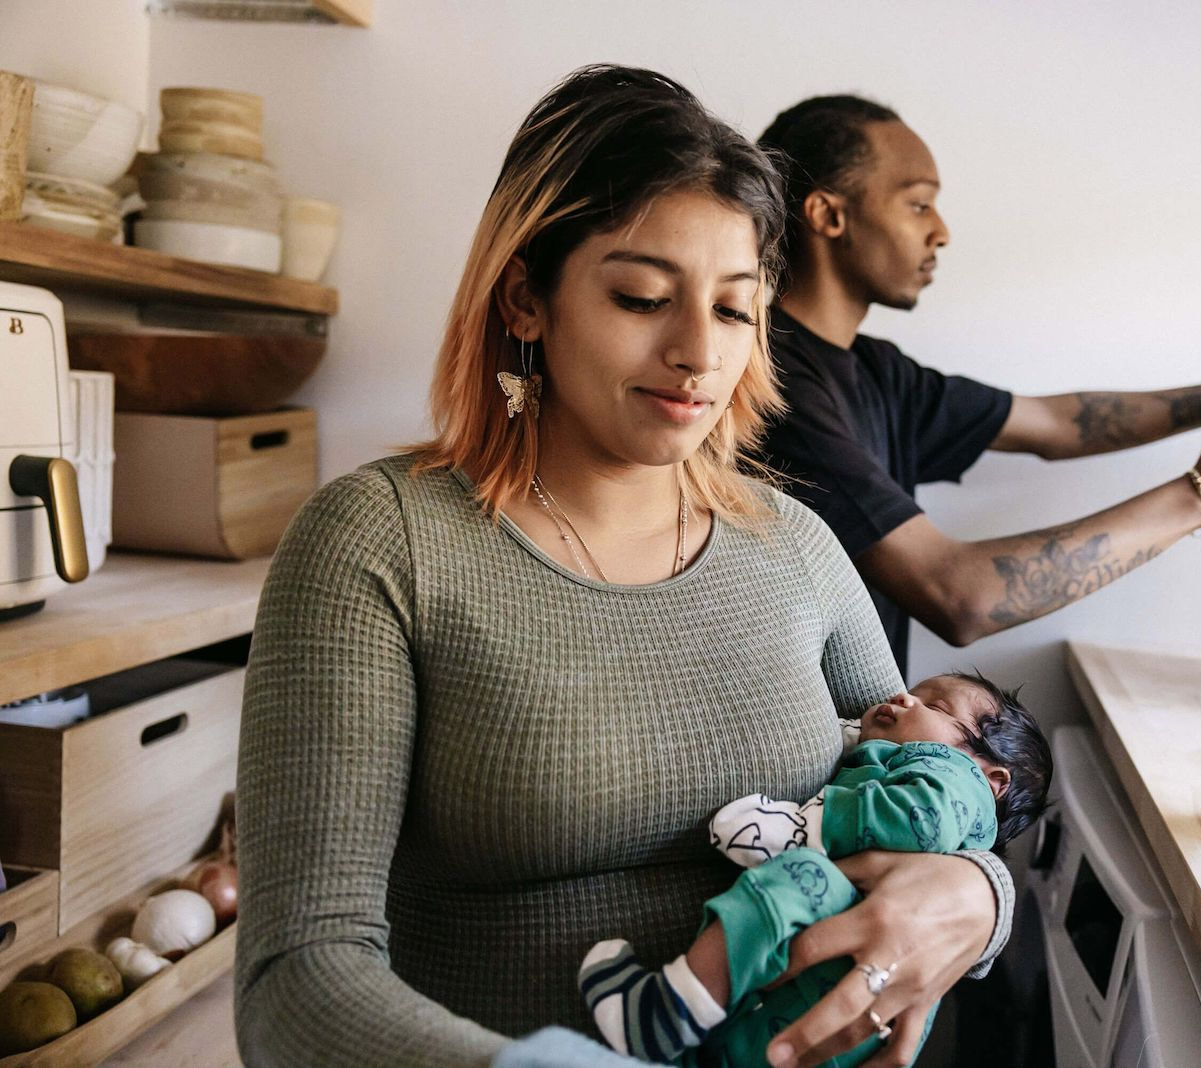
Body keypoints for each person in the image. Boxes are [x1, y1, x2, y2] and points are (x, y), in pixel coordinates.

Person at [233, 67, 1014, 1068]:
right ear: (526, 297)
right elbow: (297, 976)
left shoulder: (797, 547)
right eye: (642, 296)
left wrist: (980, 898)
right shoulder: (380, 543)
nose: (696, 350)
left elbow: (936, 792)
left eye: (735, 310)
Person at [755, 96, 1201, 672]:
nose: (942, 232)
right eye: (920, 204)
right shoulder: (771, 381)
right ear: (829, 215)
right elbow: (960, 596)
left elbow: (1058, 425)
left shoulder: (877, 370)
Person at [577, 673, 1052, 1067]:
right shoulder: (906, 755)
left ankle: (668, 1010)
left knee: (797, 875)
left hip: (863, 966)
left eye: (938, 707)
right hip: (841, 1012)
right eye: (915, 692)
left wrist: (806, 827)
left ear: (993, 780)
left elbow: (922, 822)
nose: (903, 696)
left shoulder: (955, 780)